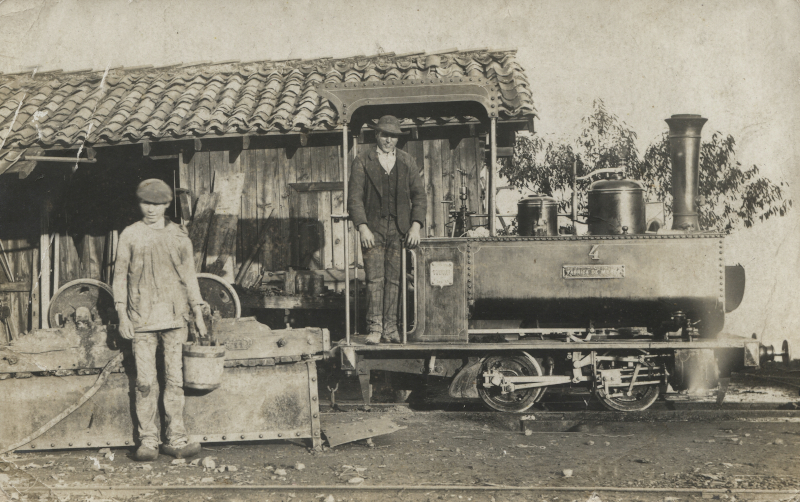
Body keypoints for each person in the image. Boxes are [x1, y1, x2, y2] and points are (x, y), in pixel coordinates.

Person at [113, 179, 206, 461]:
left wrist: (197, 312)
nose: (151, 209)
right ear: (139, 203)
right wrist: (122, 315)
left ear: (167, 204)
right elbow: (119, 277)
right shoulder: (130, 235)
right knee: (145, 382)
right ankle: (148, 441)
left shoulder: (179, 236)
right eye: (146, 203)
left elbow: (190, 276)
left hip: (175, 319)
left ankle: (176, 439)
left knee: (175, 381)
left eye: (157, 204)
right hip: (141, 321)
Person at [348, 115, 427, 344]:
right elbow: (354, 198)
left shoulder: (407, 161)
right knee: (374, 279)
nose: (388, 140)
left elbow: (419, 197)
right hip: (373, 229)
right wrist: (363, 227)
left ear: (397, 139)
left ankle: (390, 329)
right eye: (384, 135)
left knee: (395, 280)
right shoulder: (362, 160)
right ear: (377, 135)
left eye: (392, 136)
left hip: (400, 230)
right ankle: (375, 328)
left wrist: (415, 226)